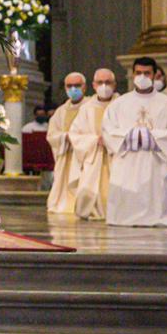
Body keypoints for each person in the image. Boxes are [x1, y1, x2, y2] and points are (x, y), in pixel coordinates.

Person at [102, 58, 167, 228]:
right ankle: (125, 215)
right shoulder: (118, 104)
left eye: (147, 73)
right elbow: (108, 130)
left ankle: (160, 214)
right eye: (138, 73)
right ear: (133, 74)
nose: (142, 76)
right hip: (128, 161)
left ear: (154, 74)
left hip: (156, 160)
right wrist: (132, 135)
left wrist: (150, 136)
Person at [70, 68, 117, 221]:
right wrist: (94, 140)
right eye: (100, 82)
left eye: (108, 82)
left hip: (116, 157)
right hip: (94, 155)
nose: (104, 86)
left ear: (115, 84)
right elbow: (75, 134)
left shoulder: (122, 105)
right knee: (88, 191)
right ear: (94, 85)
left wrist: (112, 140)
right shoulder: (86, 108)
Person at [46, 72, 87, 217]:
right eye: (70, 86)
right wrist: (65, 137)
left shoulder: (90, 107)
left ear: (85, 87)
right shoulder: (60, 111)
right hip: (66, 154)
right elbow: (51, 135)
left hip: (84, 156)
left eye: (77, 85)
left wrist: (78, 140)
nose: (73, 89)